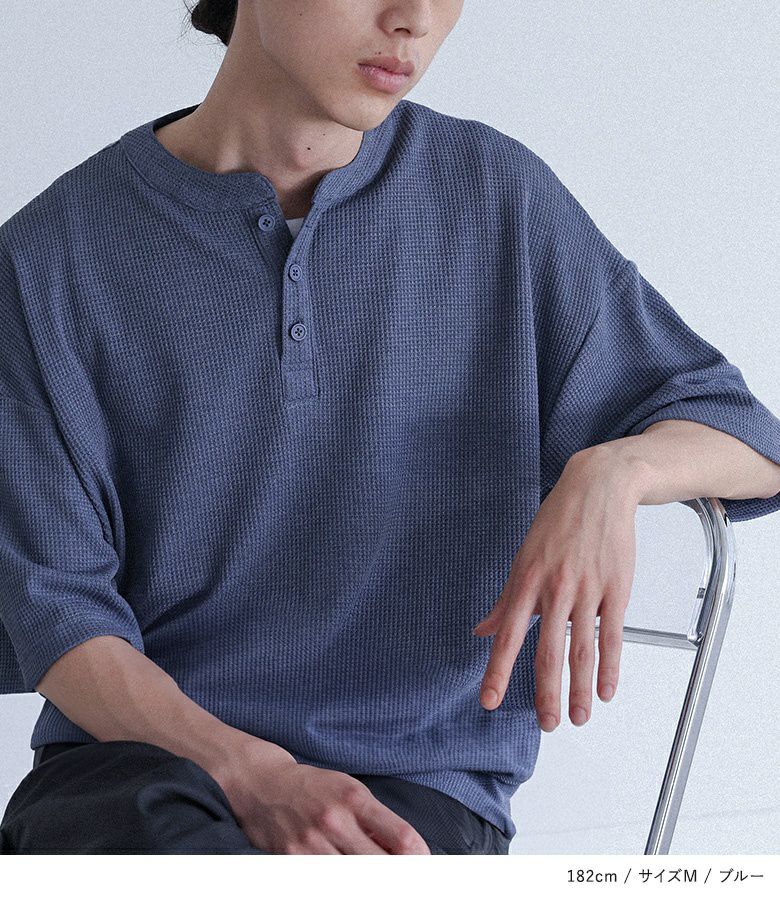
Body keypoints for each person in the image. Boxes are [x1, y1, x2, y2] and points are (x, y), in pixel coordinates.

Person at [1, 0, 779, 855]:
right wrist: (255, 777)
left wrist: (613, 471)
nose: (413, 19)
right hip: (134, 777)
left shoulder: (495, 198)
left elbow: (748, 439)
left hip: (415, 790)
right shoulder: (47, 259)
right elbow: (56, 613)